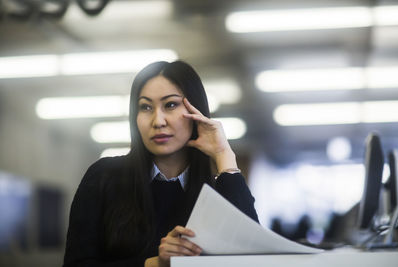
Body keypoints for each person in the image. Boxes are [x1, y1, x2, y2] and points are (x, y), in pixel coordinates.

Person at [63, 60, 259, 267]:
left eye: (171, 105)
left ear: (196, 111)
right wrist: (155, 264)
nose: (158, 121)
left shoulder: (220, 191)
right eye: (145, 107)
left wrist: (223, 154)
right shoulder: (104, 176)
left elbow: (253, 258)